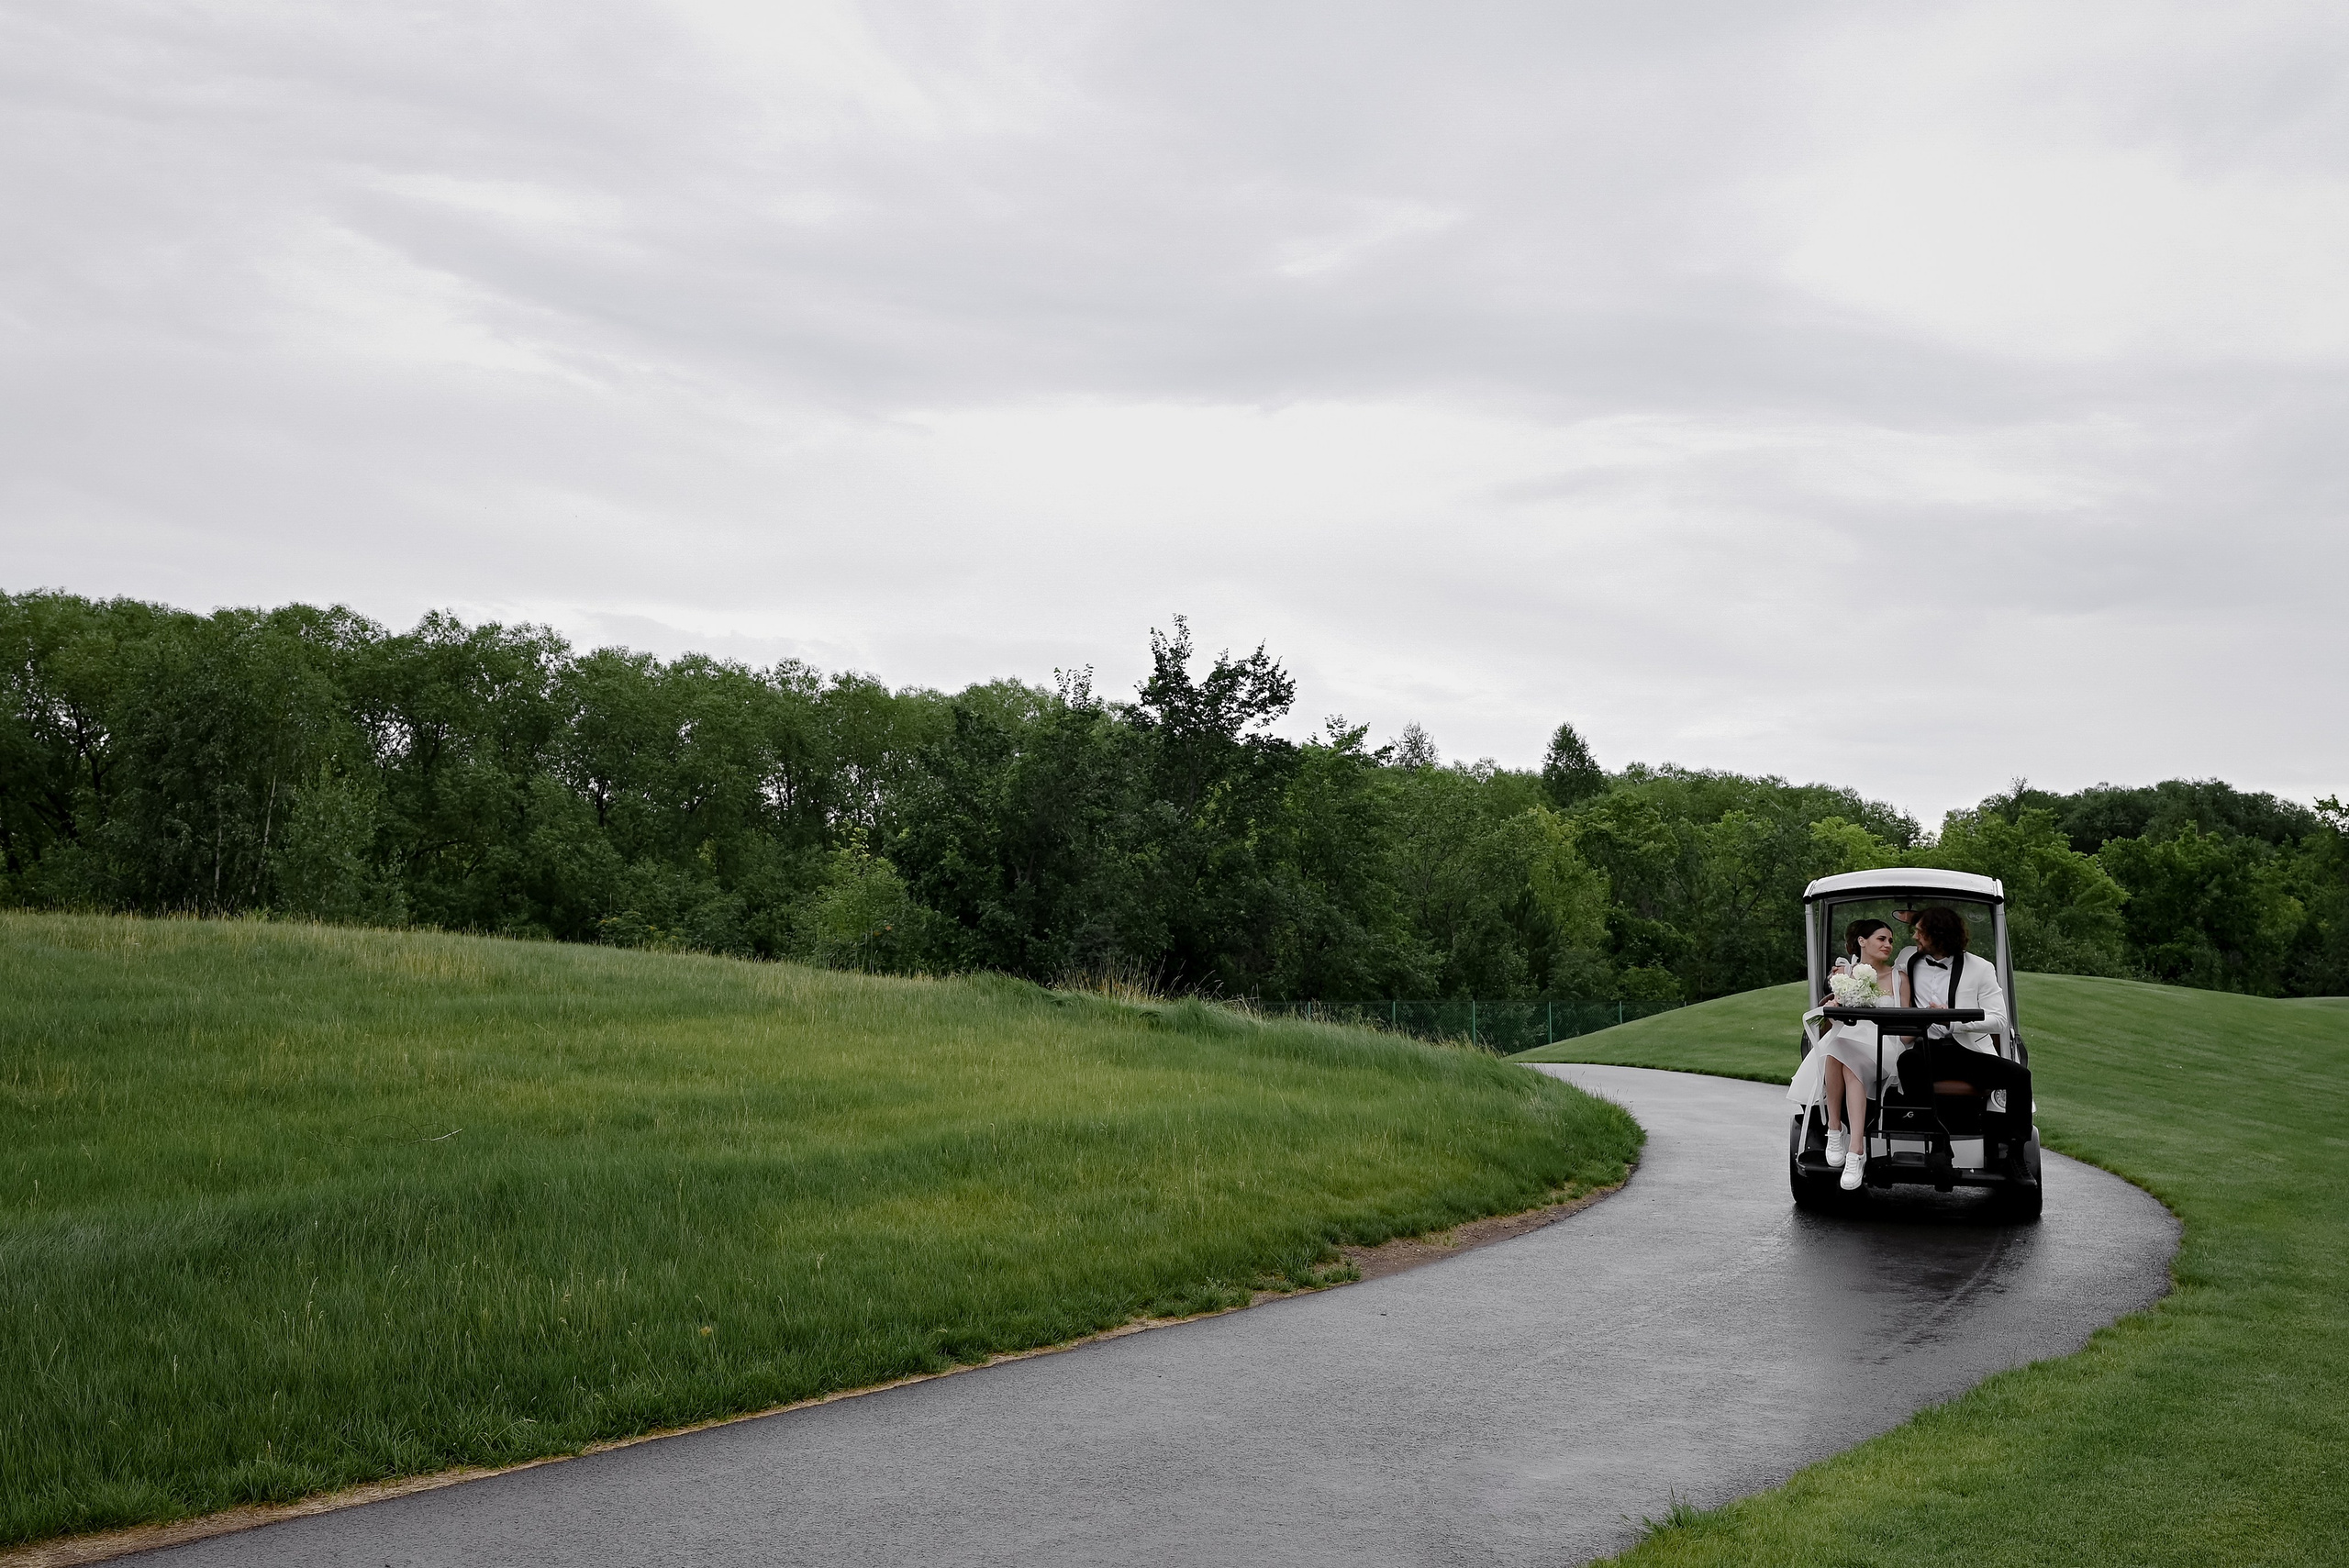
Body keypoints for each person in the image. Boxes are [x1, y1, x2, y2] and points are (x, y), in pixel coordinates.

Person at [1894, 906, 2033, 1179]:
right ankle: (1939, 1145)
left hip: (1965, 1051)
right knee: (1907, 1062)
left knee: (2020, 1076)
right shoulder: (1909, 960)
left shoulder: (1980, 968)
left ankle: (2016, 1154)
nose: (1915, 938)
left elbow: (1999, 1020)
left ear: (1939, 935)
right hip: (1927, 1050)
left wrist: (1952, 1020)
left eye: (1920, 933)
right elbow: (1881, 972)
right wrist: (1843, 970)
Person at [1787, 917, 1910, 1191]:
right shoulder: (1844, 974)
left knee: (1839, 1050)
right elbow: (1832, 1021)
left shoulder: (1898, 978)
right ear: (1862, 942)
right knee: (1840, 1049)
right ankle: (1853, 1149)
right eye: (1882, 939)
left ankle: (1839, 1132)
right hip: (1847, 1044)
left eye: (1891, 940)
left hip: (1884, 1046)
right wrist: (1833, 1003)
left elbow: (1907, 1031)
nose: (1888, 944)